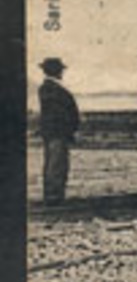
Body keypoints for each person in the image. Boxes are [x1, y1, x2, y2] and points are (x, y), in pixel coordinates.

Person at [37, 57, 79, 206]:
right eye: (60, 69)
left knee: (55, 163)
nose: (62, 72)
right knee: (56, 164)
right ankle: (53, 196)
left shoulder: (50, 87)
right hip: (57, 133)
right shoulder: (50, 88)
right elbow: (58, 114)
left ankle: (54, 194)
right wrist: (68, 129)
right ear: (54, 71)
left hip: (56, 132)